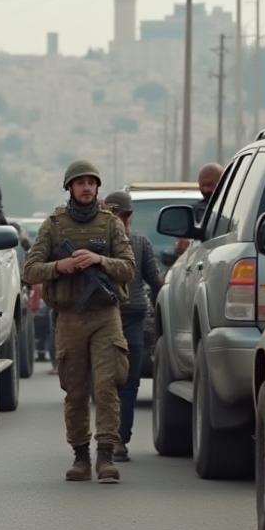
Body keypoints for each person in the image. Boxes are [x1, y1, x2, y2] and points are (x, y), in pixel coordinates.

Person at [21, 160, 134, 484]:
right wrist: (62, 266)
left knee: (107, 387)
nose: (86, 188)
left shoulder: (111, 224)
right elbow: (30, 270)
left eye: (91, 182)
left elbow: (128, 267)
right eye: (80, 182)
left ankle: (106, 456)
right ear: (69, 187)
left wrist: (99, 260)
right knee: (75, 390)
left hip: (104, 315)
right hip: (70, 317)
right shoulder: (54, 225)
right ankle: (81, 455)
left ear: (97, 187)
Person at [102, 191, 163, 463]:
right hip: (103, 317)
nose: (119, 220)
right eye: (115, 215)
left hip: (133, 318)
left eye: (122, 216)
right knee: (106, 382)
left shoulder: (139, 243)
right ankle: (108, 439)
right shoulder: (96, 246)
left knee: (129, 382)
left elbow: (156, 282)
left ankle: (119, 440)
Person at [176, 162, 223, 256]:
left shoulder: (233, 208)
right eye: (203, 185)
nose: (206, 190)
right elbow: (180, 250)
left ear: (223, 182)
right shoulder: (192, 213)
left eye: (210, 185)